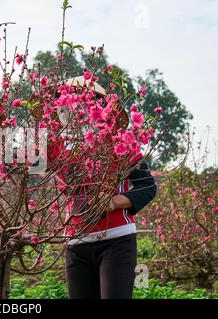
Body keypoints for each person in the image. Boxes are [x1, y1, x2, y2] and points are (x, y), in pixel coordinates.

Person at [32, 76, 157, 299]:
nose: (74, 107)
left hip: (116, 241)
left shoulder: (119, 140)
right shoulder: (55, 145)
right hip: (76, 242)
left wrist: (114, 202)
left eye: (84, 101)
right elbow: (24, 168)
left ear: (97, 106)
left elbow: (147, 186)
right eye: (66, 101)